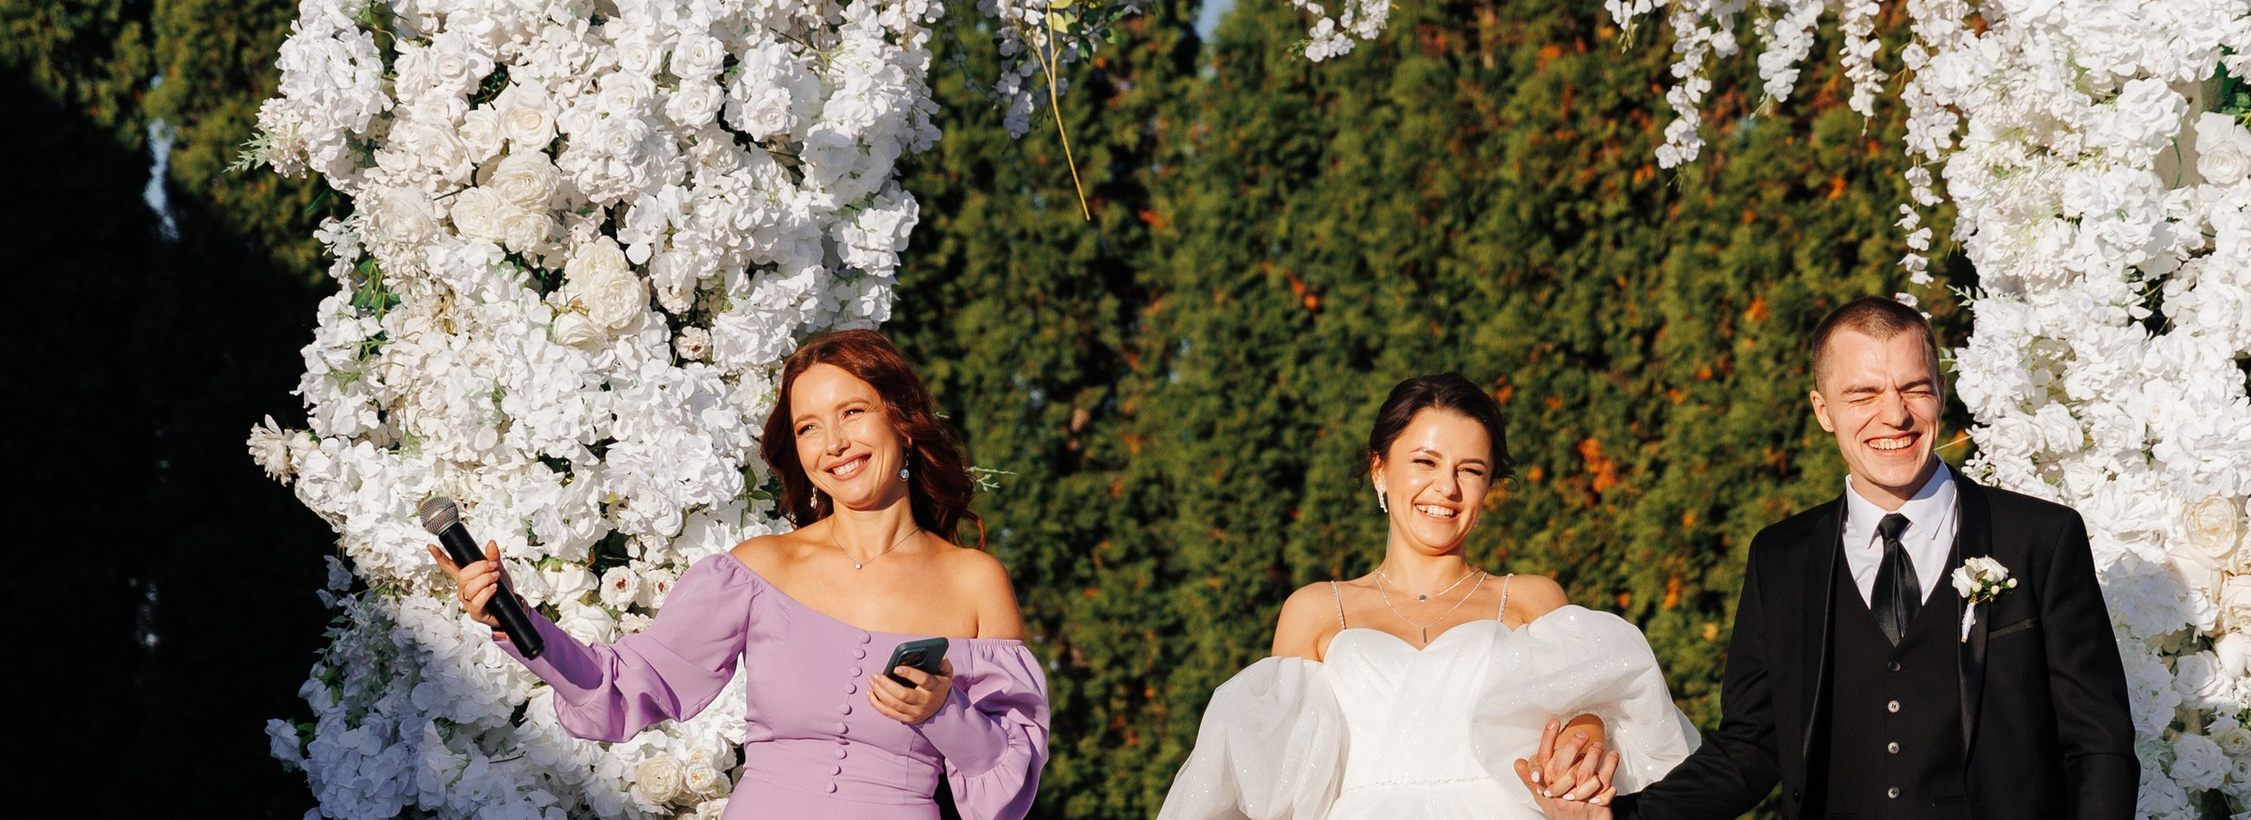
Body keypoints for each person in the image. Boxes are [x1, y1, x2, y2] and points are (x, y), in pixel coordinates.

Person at [1523, 298, 2138, 820]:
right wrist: (1623, 815)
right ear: (1823, 410)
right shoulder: (1781, 559)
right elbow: (1751, 746)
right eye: (1863, 393)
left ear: (1940, 394)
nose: (1894, 415)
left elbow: (2099, 743)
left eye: (1914, 388)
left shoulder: (2040, 538)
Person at [432, 328, 1049, 820]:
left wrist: (943, 711)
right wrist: (516, 618)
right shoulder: (758, 570)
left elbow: (1007, 778)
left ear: (902, 421)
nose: (834, 443)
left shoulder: (974, 583)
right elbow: (622, 687)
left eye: (853, 412)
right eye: (809, 427)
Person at [1158, 373, 1698, 820]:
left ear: (1489, 486)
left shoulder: (1533, 600)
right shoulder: (1316, 610)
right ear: (1380, 470)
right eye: (1425, 461)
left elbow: (1594, 718)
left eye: (1471, 470)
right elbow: (1274, 785)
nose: (1447, 487)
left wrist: (1583, 740)